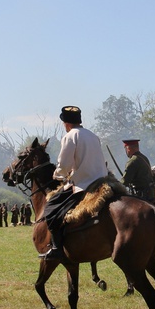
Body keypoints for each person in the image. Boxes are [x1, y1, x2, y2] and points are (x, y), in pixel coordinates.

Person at [42, 106, 109, 261]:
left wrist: (57, 175)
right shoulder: (93, 136)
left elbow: (64, 165)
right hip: (102, 182)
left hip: (84, 185)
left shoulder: (70, 136)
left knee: (51, 209)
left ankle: (57, 248)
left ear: (66, 123)